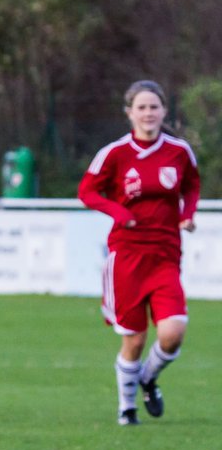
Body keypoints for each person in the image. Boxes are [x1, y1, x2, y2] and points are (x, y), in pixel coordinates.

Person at [79, 79, 200, 426]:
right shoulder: (115, 153)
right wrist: (119, 212)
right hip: (127, 257)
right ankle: (127, 408)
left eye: (154, 107)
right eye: (141, 107)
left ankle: (148, 377)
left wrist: (187, 214)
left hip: (165, 255)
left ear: (164, 111)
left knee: (173, 333)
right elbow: (88, 191)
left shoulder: (178, 151)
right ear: (129, 112)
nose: (148, 113)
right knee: (134, 339)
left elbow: (191, 184)